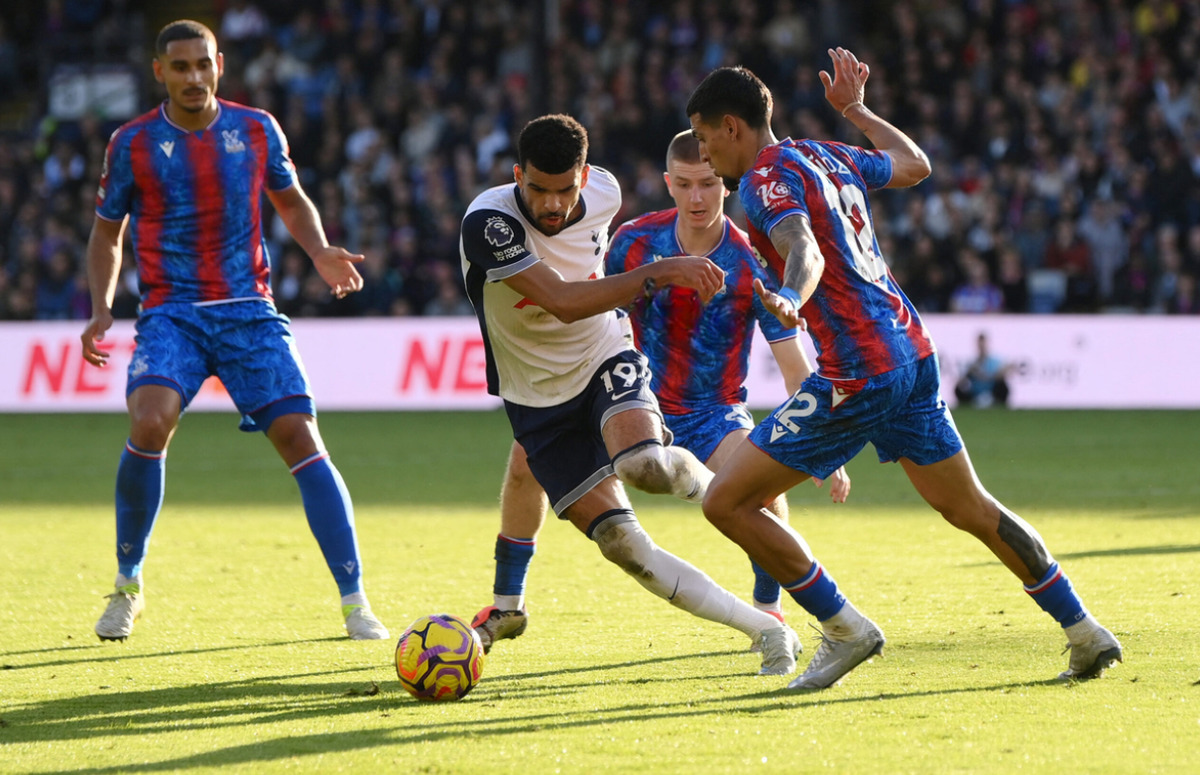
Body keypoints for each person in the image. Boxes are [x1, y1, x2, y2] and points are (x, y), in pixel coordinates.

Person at [686, 49, 1121, 690]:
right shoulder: (828, 151)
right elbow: (916, 165)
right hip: (912, 355)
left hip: (859, 371)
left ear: (731, 126)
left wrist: (792, 294)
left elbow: (801, 246)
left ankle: (844, 629)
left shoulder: (764, 180)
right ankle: (1084, 630)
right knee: (970, 506)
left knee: (726, 501)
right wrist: (858, 110)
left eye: (703, 139)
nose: (704, 157)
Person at [471, 130, 852, 654]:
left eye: (710, 184)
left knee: (720, 484)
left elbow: (792, 362)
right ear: (669, 184)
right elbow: (564, 299)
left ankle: (771, 604)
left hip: (678, 394)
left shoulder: (746, 260)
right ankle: (509, 605)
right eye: (539, 190)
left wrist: (820, 441)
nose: (553, 204)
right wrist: (665, 272)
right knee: (602, 529)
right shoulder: (606, 236)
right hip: (554, 392)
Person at [80, 20, 388, 642]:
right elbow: (108, 232)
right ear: (159, 72)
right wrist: (101, 305)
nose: (194, 77)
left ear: (219, 64)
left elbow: (292, 198)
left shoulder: (256, 128)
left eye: (203, 64)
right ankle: (127, 585)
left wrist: (322, 250)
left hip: (248, 308)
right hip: (172, 313)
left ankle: (356, 602)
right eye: (180, 66)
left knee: (302, 439)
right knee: (148, 421)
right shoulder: (132, 143)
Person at [955, 332, 1012, 408]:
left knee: (1002, 384)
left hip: (992, 392)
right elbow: (960, 381)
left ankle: (997, 402)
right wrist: (969, 373)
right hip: (975, 394)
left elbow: (1004, 373)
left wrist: (987, 376)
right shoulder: (972, 363)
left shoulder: (996, 362)